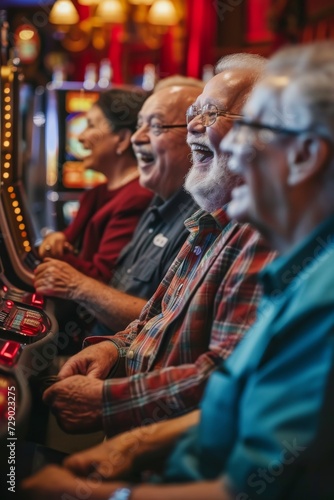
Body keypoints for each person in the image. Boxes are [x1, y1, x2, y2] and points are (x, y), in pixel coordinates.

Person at [22, 40, 334, 500]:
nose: (199, 134)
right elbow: (229, 392)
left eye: (253, 131)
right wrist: (137, 433)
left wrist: (97, 492)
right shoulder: (229, 228)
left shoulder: (310, 281)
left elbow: (248, 484)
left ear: (307, 156)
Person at [40, 53, 276, 437]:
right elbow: (154, 316)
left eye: (211, 114)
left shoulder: (265, 232)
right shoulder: (211, 220)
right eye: (191, 115)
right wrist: (113, 349)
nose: (193, 127)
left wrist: (107, 401)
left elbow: (226, 377)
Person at [33, 82, 203, 336]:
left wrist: (74, 282)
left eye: (155, 126)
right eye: (140, 125)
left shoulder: (152, 200)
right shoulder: (157, 201)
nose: (138, 136)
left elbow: (167, 326)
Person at [38, 88, 153, 283]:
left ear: (123, 139)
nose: (80, 137)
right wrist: (55, 241)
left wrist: (53, 254)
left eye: (90, 125)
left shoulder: (137, 197)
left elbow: (102, 280)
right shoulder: (97, 193)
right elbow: (66, 243)